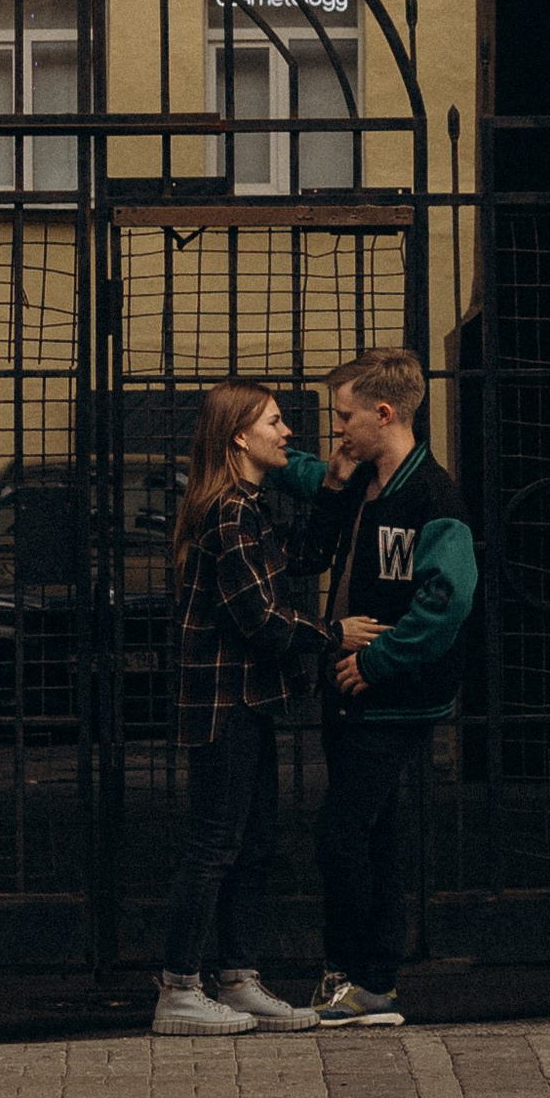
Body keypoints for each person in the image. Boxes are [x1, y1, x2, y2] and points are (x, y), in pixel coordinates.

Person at [154, 381, 338, 1037]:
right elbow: (259, 618)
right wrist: (337, 636)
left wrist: (336, 488)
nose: (288, 432)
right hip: (223, 705)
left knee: (253, 841)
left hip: (249, 702)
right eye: (275, 421)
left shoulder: (251, 509)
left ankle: (237, 979)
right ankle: (179, 989)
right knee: (216, 845)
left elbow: (307, 555)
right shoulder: (228, 513)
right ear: (239, 434)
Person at [301, 348, 479, 1029]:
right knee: (370, 833)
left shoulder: (431, 494)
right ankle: (368, 981)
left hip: (390, 696)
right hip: (355, 694)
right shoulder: (367, 483)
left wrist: (380, 662)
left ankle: (363, 981)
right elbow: (316, 552)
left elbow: (448, 598)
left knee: (343, 833)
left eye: (344, 417)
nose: (336, 430)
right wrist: (334, 483)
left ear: (384, 412)